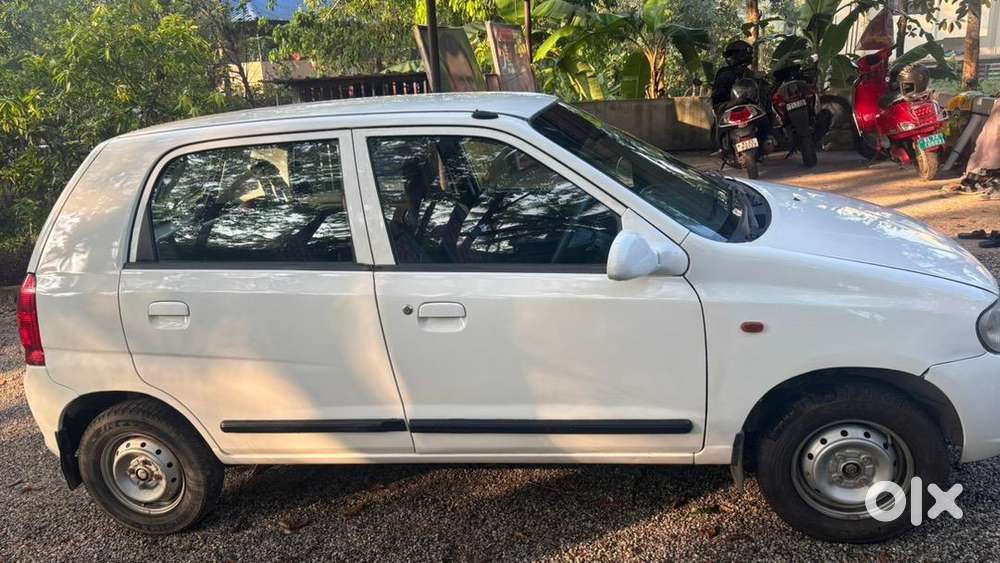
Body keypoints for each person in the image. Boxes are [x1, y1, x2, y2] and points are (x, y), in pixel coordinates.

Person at [712, 40, 754, 110]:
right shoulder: (725, 72)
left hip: (748, 107)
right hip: (726, 107)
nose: (730, 57)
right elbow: (717, 97)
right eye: (730, 54)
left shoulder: (749, 73)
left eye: (730, 54)